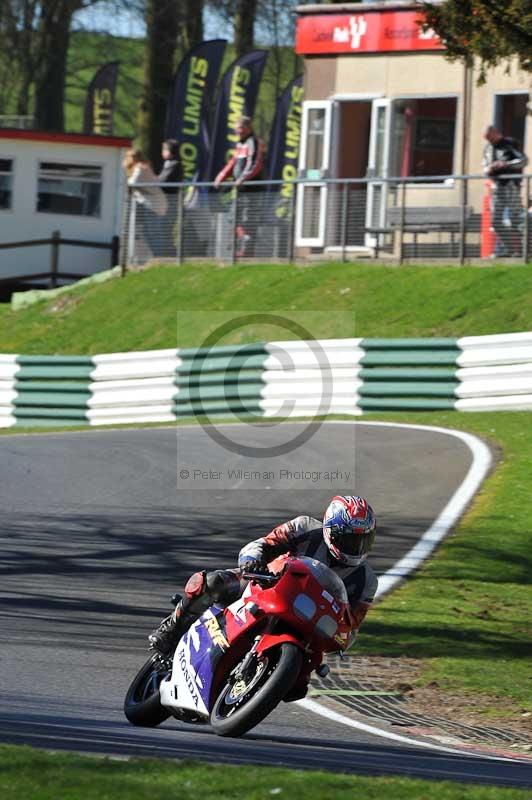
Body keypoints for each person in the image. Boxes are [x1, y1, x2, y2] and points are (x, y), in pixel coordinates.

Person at [149, 495, 378, 701]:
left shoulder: (367, 580)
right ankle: (173, 627)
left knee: (297, 688)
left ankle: (261, 682)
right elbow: (265, 543)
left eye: (362, 541)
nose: (355, 548)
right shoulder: (305, 527)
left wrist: (341, 638)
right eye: (348, 540)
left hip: (308, 622)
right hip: (265, 584)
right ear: (330, 530)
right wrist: (253, 561)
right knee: (214, 582)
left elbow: (352, 626)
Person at [213, 115, 265, 257]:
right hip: (241, 190)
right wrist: (221, 176)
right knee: (235, 216)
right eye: (236, 129)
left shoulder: (253, 142)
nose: (238, 132)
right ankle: (242, 245)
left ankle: (248, 250)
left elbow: (256, 164)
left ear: (248, 128)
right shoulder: (240, 144)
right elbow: (233, 162)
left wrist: (243, 178)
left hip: (252, 189)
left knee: (248, 219)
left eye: (241, 128)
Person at [483, 126, 528, 257]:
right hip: (496, 187)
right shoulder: (488, 148)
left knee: (516, 219)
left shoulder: (509, 144)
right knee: (496, 222)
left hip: (511, 186)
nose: (490, 141)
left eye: (491, 138)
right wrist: (489, 169)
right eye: (487, 139)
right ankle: (508, 248)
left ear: (496, 134)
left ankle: (525, 249)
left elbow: (523, 161)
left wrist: (506, 164)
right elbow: (484, 166)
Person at [123, 148, 167, 260]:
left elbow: (133, 183)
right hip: (156, 204)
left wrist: (126, 183)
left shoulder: (140, 168)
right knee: (151, 233)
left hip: (153, 205)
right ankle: (158, 257)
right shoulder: (145, 166)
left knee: (153, 233)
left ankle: (161, 258)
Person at [156, 139, 183, 254]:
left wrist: (153, 182)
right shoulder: (169, 163)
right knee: (164, 228)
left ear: (169, 151)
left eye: (164, 149)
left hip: (170, 202)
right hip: (165, 201)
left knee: (166, 228)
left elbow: (163, 180)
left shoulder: (174, 164)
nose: (162, 152)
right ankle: (167, 252)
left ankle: (169, 253)